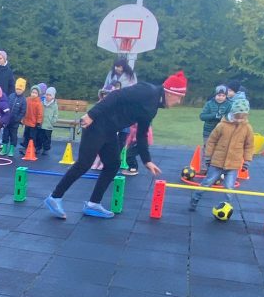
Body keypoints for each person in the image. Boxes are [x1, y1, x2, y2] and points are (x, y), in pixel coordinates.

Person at [43, 72, 188, 220]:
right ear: (170, 93)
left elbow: (141, 135)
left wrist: (147, 160)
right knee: (84, 164)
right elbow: (115, 95)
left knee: (113, 165)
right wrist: (91, 115)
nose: (179, 101)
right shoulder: (147, 91)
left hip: (110, 130)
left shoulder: (153, 108)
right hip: (96, 124)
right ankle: (55, 197)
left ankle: (93, 204)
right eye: (179, 97)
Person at [189, 97, 254, 210]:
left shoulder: (247, 128)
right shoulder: (222, 125)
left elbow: (249, 145)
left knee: (229, 188)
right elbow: (211, 141)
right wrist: (208, 157)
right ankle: (195, 199)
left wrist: (247, 160)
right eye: (237, 117)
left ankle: (226, 207)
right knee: (207, 182)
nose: (239, 120)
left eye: (242, 118)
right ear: (232, 113)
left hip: (233, 164)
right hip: (217, 162)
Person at [198, 85, 232, 170]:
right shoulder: (209, 104)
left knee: (220, 150)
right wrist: (214, 116)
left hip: (222, 132)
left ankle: (217, 168)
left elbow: (230, 117)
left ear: (226, 96)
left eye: (223, 96)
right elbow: (202, 116)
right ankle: (204, 168)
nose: (221, 97)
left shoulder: (229, 105)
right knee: (207, 149)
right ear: (215, 95)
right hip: (208, 131)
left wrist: (222, 118)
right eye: (219, 95)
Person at [2, 77, 27, 156]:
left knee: (13, 136)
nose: (18, 90)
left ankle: (11, 150)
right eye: (17, 89)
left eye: (20, 89)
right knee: (5, 134)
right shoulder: (11, 96)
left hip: (15, 122)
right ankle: (4, 148)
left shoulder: (23, 100)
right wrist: (5, 115)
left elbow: (23, 111)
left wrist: (17, 119)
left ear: (23, 90)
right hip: (7, 120)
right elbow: (6, 105)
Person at [20, 84, 44, 156]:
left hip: (34, 123)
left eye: (35, 93)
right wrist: (22, 119)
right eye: (33, 92)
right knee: (26, 135)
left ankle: (33, 148)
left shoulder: (38, 103)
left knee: (32, 137)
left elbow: (40, 114)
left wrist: (38, 122)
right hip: (27, 122)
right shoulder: (27, 100)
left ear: (38, 94)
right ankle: (25, 147)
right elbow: (24, 110)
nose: (33, 94)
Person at [37, 86, 58, 155]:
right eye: (47, 94)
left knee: (47, 138)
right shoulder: (42, 103)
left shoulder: (54, 105)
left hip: (49, 125)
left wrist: (52, 121)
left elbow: (55, 115)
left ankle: (46, 149)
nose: (48, 96)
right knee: (39, 137)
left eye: (50, 95)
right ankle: (38, 147)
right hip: (41, 124)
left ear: (53, 96)